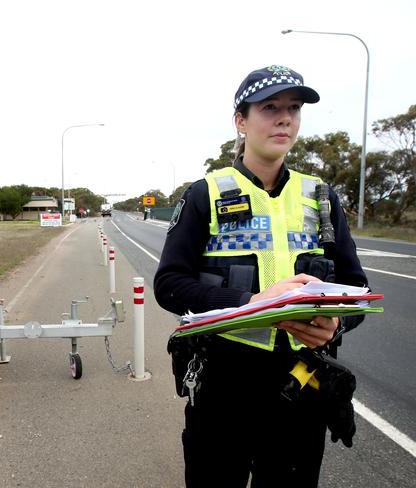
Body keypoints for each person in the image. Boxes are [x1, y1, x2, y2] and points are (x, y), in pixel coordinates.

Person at [154, 65, 368, 487]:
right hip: (225, 384)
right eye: (270, 107)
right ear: (241, 120)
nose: (285, 118)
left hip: (302, 382)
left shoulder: (322, 197)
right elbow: (169, 284)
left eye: (293, 108)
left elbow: (358, 288)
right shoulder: (205, 193)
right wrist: (251, 303)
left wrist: (337, 322)